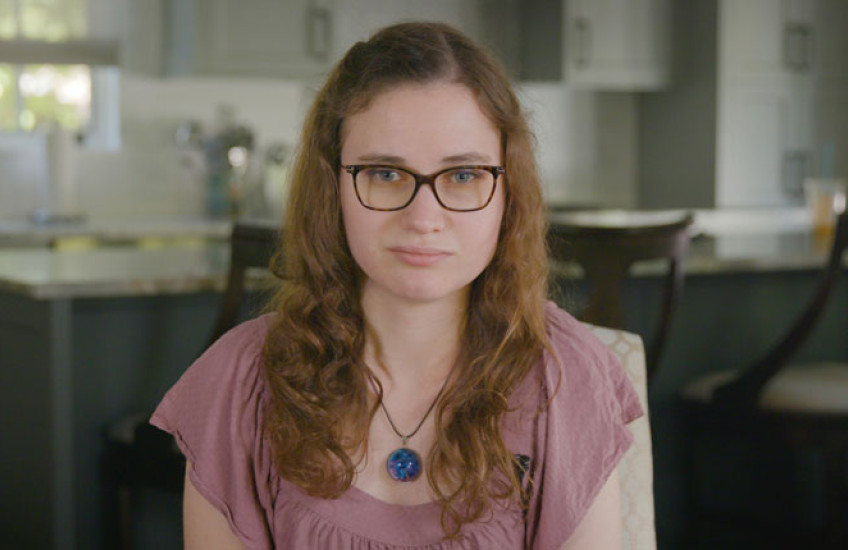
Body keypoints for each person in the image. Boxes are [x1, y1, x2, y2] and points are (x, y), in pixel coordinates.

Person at [151, 21, 643, 549]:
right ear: (331, 186)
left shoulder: (567, 379)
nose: (423, 216)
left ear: (508, 193)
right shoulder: (238, 383)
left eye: (463, 175)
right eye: (385, 174)